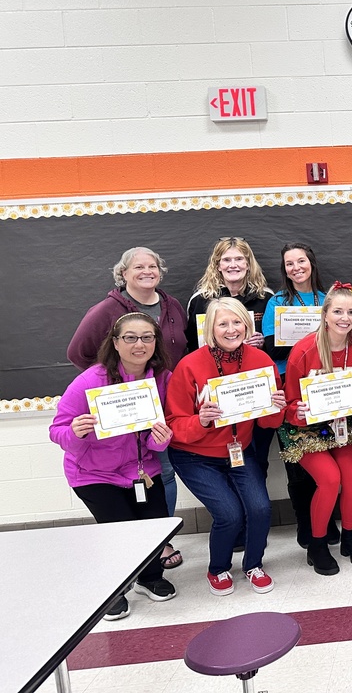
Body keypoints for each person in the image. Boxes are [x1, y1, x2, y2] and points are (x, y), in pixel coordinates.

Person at [51, 312, 178, 620]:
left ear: (156, 342)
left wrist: (160, 441)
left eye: (147, 337)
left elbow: (159, 434)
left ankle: (149, 578)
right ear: (116, 343)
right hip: (93, 474)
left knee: (154, 527)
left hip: (142, 470)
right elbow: (57, 431)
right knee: (118, 531)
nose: (139, 344)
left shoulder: (162, 379)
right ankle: (115, 590)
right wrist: (76, 432)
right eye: (130, 338)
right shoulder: (90, 380)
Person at [66, 246, 186, 569]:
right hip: (106, 447)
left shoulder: (172, 306)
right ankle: (126, 573)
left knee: (161, 478)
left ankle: (158, 546)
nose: (147, 271)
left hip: (156, 408)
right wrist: (110, 386)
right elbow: (77, 352)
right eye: (138, 267)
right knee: (123, 522)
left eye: (152, 266)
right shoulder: (106, 311)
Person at [165, 297, 285, 596]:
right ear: (210, 328)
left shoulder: (261, 361)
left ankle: (253, 564)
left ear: (247, 324)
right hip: (194, 455)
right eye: (223, 323)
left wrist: (275, 408)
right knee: (229, 514)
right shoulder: (189, 365)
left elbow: (269, 424)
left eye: (237, 322)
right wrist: (201, 421)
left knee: (259, 508)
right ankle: (218, 568)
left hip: (238, 450)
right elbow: (174, 424)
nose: (231, 330)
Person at [283, 282, 352, 574]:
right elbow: (288, 402)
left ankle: (349, 537)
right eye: (337, 311)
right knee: (330, 479)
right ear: (325, 314)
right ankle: (317, 544)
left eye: (351, 312)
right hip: (304, 429)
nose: (344, 318)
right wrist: (299, 410)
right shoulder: (304, 349)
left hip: (341, 426)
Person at [260, 242, 336, 550]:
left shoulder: (326, 299)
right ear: (284, 269)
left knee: (328, 455)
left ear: (311, 263)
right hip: (289, 388)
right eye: (289, 263)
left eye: (301, 261)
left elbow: (336, 341)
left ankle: (328, 522)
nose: (296, 268)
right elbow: (270, 347)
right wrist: (306, 342)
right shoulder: (275, 301)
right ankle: (306, 526)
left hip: (323, 388)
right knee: (298, 462)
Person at [184, 237, 276, 478]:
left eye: (239, 259)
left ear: (249, 263)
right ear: (217, 264)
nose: (233, 264)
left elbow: (276, 342)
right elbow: (193, 347)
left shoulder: (266, 297)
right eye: (226, 259)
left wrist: (262, 343)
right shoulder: (201, 300)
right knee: (223, 456)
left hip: (255, 390)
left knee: (258, 457)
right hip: (219, 392)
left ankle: (255, 502)